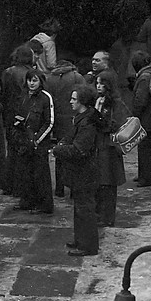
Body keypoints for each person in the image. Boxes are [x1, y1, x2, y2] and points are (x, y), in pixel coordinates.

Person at [52, 84, 101, 256]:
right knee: (80, 208)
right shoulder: (83, 118)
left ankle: (87, 246)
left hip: (85, 173)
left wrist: (57, 150)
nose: (70, 101)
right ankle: (81, 240)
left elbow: (79, 150)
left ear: (83, 102)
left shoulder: (86, 123)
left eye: (74, 99)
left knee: (84, 209)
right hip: (82, 172)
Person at [13, 69, 55, 214]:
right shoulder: (23, 96)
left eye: (35, 80)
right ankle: (27, 201)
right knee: (25, 173)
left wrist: (37, 140)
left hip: (39, 143)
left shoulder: (45, 97)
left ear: (40, 81)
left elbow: (49, 122)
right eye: (30, 80)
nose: (31, 83)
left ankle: (44, 205)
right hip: (24, 140)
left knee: (40, 174)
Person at [45, 59, 86, 197]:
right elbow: (85, 95)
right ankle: (74, 189)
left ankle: (59, 189)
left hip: (57, 121)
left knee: (60, 153)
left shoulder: (49, 78)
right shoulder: (76, 77)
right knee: (74, 155)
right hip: (73, 119)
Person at [0, 45, 34, 195]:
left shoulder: (8, 72)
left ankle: (10, 185)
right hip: (28, 115)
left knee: (12, 151)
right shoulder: (32, 74)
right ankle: (22, 187)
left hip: (11, 116)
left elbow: (2, 94)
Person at [94, 70, 128, 227]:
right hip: (99, 145)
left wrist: (99, 121)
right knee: (100, 182)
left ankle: (107, 217)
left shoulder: (115, 103)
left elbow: (116, 124)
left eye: (101, 83)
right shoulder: (98, 100)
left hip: (109, 147)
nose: (98, 86)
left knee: (108, 183)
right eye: (97, 83)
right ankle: (100, 214)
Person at [130, 50, 151, 187]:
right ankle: (145, 174)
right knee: (146, 148)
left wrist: (134, 115)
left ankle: (147, 177)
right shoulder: (150, 74)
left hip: (145, 118)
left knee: (145, 149)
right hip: (150, 116)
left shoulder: (144, 77)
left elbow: (140, 100)